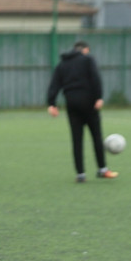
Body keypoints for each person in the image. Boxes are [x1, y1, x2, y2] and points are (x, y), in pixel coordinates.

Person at [47, 40, 118, 183]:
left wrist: (52, 103)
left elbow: (54, 84)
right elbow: (95, 78)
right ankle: (102, 169)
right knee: (96, 136)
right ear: (85, 50)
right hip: (89, 103)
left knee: (76, 139)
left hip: (72, 104)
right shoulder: (87, 60)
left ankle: (80, 174)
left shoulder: (62, 64)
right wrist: (98, 97)